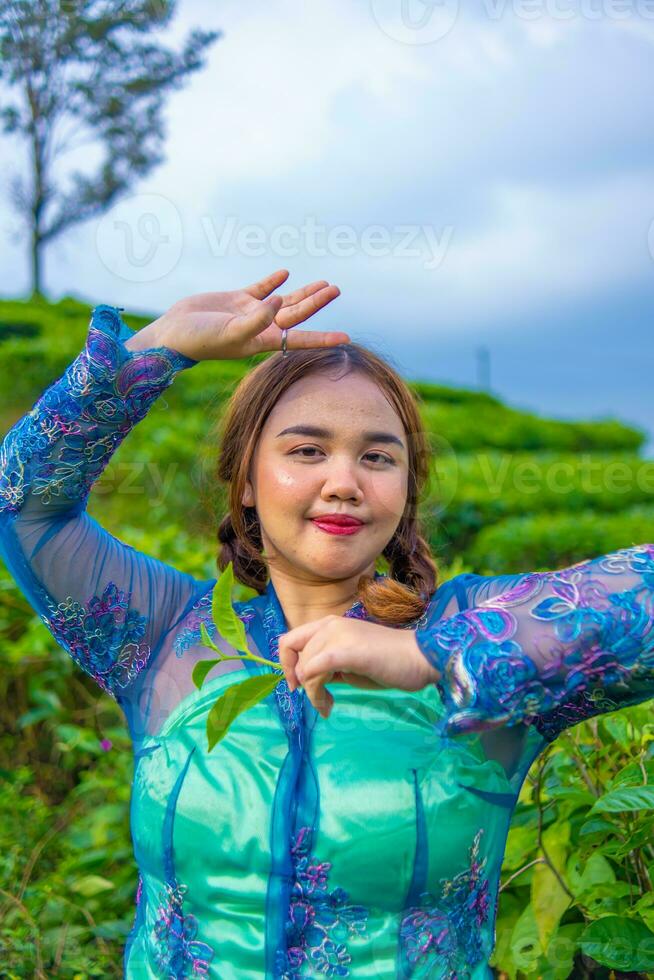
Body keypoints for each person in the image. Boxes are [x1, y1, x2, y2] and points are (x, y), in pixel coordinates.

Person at [0, 267, 652, 979]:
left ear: (405, 488)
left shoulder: (484, 635)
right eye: (307, 450)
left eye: (378, 457)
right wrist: (157, 349)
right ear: (246, 480)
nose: (344, 481)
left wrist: (434, 654)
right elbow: (24, 504)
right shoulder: (163, 636)